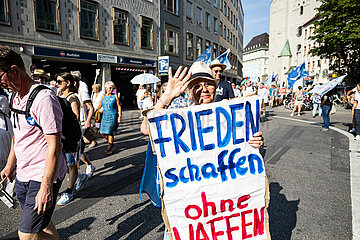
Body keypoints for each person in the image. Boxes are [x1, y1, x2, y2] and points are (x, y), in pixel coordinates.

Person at [0, 46, 67, 239]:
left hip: (43, 174)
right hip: (23, 173)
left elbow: (55, 146)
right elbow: (18, 134)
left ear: (15, 70)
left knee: (27, 234)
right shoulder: (14, 96)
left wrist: (46, 186)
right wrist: (10, 164)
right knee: (42, 224)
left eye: (0, 78)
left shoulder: (44, 98)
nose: (0, 84)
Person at [55, 72, 82, 206]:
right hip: (62, 135)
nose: (57, 83)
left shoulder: (72, 98)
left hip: (70, 136)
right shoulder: (60, 96)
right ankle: (79, 176)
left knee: (71, 165)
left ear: (68, 83)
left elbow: (75, 117)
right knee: (65, 164)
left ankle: (69, 192)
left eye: (60, 81)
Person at [71, 71, 95, 189]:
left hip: (80, 125)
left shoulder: (81, 92)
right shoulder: (64, 93)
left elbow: (91, 108)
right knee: (78, 151)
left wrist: (88, 121)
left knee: (74, 152)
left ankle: (79, 177)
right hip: (70, 125)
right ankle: (89, 166)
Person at [96, 81, 122, 155]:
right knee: (102, 132)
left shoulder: (115, 96)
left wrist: (119, 116)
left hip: (112, 116)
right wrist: (94, 111)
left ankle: (109, 148)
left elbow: (119, 106)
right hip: (104, 116)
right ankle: (110, 142)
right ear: (106, 88)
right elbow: (100, 106)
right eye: (110, 88)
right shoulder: (103, 97)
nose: (111, 89)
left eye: (112, 88)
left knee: (109, 132)